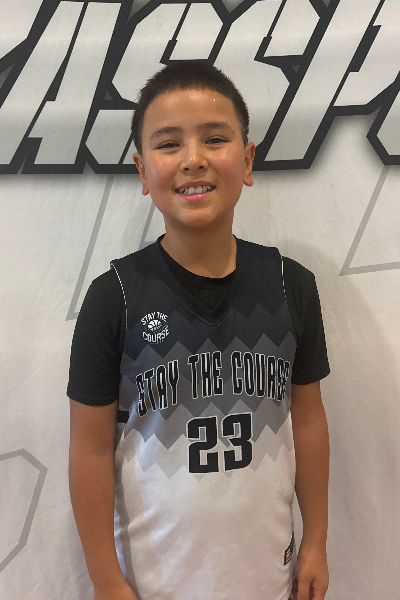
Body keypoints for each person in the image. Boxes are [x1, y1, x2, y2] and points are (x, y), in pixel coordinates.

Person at [68, 61, 330, 600]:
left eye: (215, 138)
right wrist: (104, 579)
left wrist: (318, 542)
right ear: (143, 172)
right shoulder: (114, 297)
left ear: (247, 160)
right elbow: (89, 450)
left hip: (268, 575)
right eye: (169, 144)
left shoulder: (291, 285)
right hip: (153, 583)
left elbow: (308, 419)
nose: (193, 159)